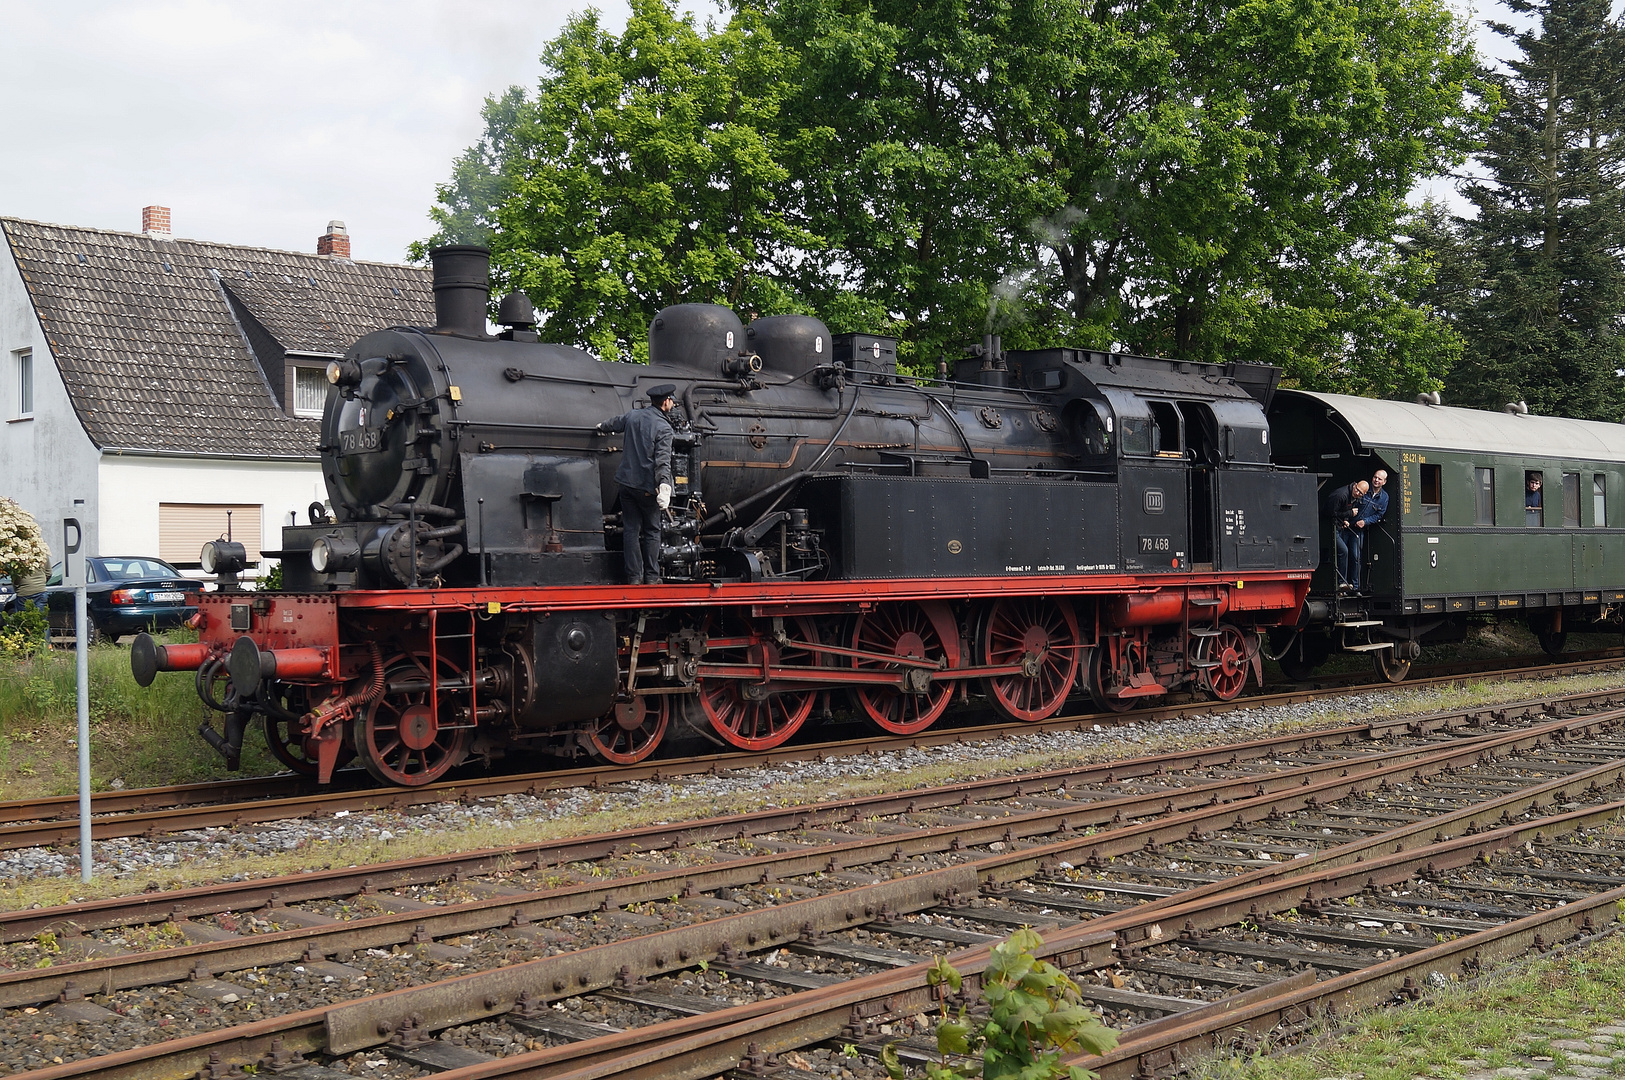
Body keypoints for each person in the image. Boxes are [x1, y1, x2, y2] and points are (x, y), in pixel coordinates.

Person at [596, 385, 676, 585]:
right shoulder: (664, 428)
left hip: (626, 484)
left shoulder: (633, 416)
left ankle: (633, 577)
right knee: (652, 530)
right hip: (647, 488)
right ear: (666, 402)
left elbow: (614, 423)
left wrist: (601, 427)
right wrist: (665, 487)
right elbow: (662, 461)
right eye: (672, 400)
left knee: (631, 529)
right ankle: (651, 577)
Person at [1324, 479, 1369, 592]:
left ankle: (1345, 583)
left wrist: (1344, 520)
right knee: (1344, 551)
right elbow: (1330, 513)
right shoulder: (1341, 495)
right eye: (1357, 490)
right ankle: (1341, 582)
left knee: (1348, 553)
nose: (1357, 493)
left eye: (1360, 493)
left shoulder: (1353, 497)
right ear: (1355, 485)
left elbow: (1340, 512)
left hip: (1338, 526)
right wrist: (1349, 514)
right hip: (1329, 527)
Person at [1350, 469, 1389, 588]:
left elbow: (1379, 515)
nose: (1376, 480)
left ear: (1384, 482)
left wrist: (1365, 522)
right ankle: (1342, 584)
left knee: (1356, 557)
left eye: (1379, 479)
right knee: (1343, 554)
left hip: (1359, 530)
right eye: (1375, 477)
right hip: (1347, 525)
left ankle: (1355, 586)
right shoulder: (1364, 489)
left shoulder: (1384, 497)